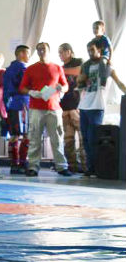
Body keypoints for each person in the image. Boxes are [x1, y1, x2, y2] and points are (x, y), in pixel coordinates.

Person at [19, 42, 71, 177]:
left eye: (44, 49)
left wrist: (61, 89)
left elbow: (66, 86)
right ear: (37, 52)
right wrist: (32, 92)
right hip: (36, 108)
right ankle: (33, 167)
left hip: (54, 108)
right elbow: (22, 88)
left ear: (49, 50)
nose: (41, 51)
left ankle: (61, 166)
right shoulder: (30, 69)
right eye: (39, 49)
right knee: (35, 138)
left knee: (57, 138)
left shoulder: (57, 68)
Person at [77, 39, 126, 176]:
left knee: (93, 139)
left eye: (92, 50)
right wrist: (81, 79)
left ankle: (97, 168)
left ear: (99, 50)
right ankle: (90, 167)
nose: (90, 53)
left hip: (97, 106)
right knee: (85, 139)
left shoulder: (106, 66)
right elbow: (79, 83)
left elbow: (118, 82)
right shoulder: (85, 66)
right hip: (84, 106)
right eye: (88, 50)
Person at [2, 45, 31, 174]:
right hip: (22, 104)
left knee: (14, 135)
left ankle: (14, 164)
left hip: (10, 105)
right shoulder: (22, 68)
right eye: (28, 53)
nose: (29, 57)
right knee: (25, 134)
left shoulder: (8, 70)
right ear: (21, 53)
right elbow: (27, 85)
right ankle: (23, 162)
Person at [58, 43, 85, 173]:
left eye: (61, 52)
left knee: (82, 138)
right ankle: (72, 165)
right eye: (59, 53)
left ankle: (86, 166)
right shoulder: (60, 68)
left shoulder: (80, 63)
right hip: (64, 108)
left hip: (77, 106)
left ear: (69, 51)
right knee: (68, 139)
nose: (60, 55)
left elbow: (81, 75)